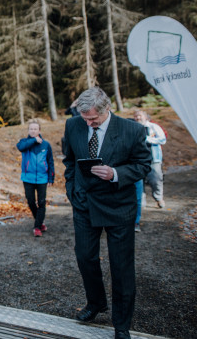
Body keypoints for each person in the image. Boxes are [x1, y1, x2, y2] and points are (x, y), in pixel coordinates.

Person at [62, 87, 151, 339]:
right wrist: (71, 188)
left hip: (119, 207)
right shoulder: (73, 125)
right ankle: (96, 303)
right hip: (84, 204)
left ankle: (121, 324)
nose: (88, 123)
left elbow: (143, 165)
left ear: (106, 109)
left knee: (121, 267)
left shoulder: (132, 130)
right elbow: (69, 160)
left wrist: (116, 174)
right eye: (84, 118)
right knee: (85, 258)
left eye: (93, 119)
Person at [16, 119, 55, 237]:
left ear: (39, 130)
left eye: (35, 129)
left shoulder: (46, 145)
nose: (33, 131)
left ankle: (37, 227)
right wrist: (33, 140)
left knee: (42, 202)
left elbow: (50, 161)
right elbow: (20, 147)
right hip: (28, 178)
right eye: (31, 129)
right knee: (31, 201)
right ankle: (40, 221)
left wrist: (51, 178)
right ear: (28, 130)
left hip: (42, 178)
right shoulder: (25, 142)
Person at [133, 110, 167, 209]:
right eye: (135, 116)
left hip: (153, 159)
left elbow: (162, 140)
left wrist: (146, 139)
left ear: (146, 117)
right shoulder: (133, 128)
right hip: (138, 160)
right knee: (139, 181)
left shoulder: (153, 127)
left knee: (155, 180)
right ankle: (141, 203)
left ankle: (159, 198)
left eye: (139, 116)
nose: (137, 118)